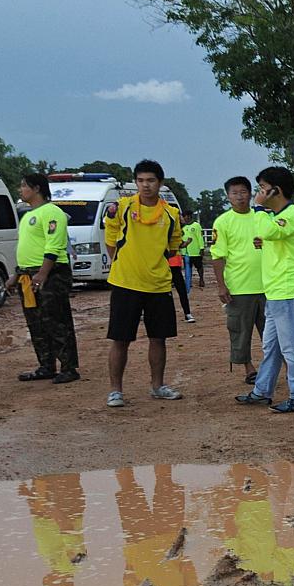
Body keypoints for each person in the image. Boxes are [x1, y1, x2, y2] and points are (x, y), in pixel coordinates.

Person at [103, 159, 185, 407]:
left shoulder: (171, 214)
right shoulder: (123, 207)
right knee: (120, 338)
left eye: (150, 180)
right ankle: (115, 391)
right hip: (125, 283)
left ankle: (158, 386)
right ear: (135, 182)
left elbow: (173, 248)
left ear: (160, 183)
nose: (145, 185)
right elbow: (110, 239)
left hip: (158, 285)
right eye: (140, 180)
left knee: (158, 338)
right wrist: (121, 262)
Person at [236, 166, 294, 413]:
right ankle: (262, 391)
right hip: (276, 292)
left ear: (275, 190)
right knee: (272, 346)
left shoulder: (291, 215)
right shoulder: (277, 217)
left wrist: (258, 209)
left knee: (292, 347)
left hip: (288, 291)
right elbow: (270, 235)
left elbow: (268, 230)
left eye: (261, 188)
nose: (257, 194)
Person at [14, 172, 79, 384]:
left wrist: (43, 273)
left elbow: (54, 245)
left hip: (50, 274)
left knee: (57, 321)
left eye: (24, 186)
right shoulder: (26, 216)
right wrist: (17, 274)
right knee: (36, 322)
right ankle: (46, 365)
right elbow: (27, 248)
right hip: (28, 275)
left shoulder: (52, 212)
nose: (20, 189)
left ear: (37, 189)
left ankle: (69, 368)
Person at [212, 176, 268, 383]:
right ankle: (248, 368)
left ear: (250, 193)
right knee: (240, 331)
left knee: (272, 331)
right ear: (228, 196)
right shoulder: (223, 222)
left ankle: (286, 367)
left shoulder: (261, 217)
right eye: (235, 193)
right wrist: (221, 285)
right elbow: (218, 256)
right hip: (239, 287)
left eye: (243, 192)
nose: (240, 197)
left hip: (267, 285)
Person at [167, 224, 194, 323]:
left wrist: (186, 243)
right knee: (165, 292)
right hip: (166, 267)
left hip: (176, 267)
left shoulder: (176, 234)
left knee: (181, 291)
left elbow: (180, 245)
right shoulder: (166, 232)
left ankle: (187, 313)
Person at [181, 211, 205, 288]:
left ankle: (201, 279)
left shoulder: (196, 225)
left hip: (195, 251)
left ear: (191, 216)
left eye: (189, 216)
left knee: (199, 266)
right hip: (185, 252)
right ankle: (189, 281)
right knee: (187, 267)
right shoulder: (182, 227)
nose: (187, 218)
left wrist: (202, 248)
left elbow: (200, 237)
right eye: (185, 216)